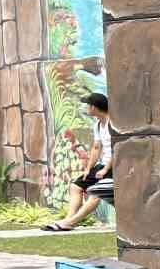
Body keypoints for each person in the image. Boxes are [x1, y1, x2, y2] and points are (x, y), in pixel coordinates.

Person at [45, 93, 114, 232]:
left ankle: (71, 222)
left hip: (114, 167)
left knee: (97, 192)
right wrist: (89, 169)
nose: (86, 108)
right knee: (75, 186)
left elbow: (117, 148)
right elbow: (96, 148)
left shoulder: (113, 124)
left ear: (93, 107)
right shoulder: (98, 125)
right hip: (103, 165)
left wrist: (106, 169)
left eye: (88, 105)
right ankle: (68, 220)